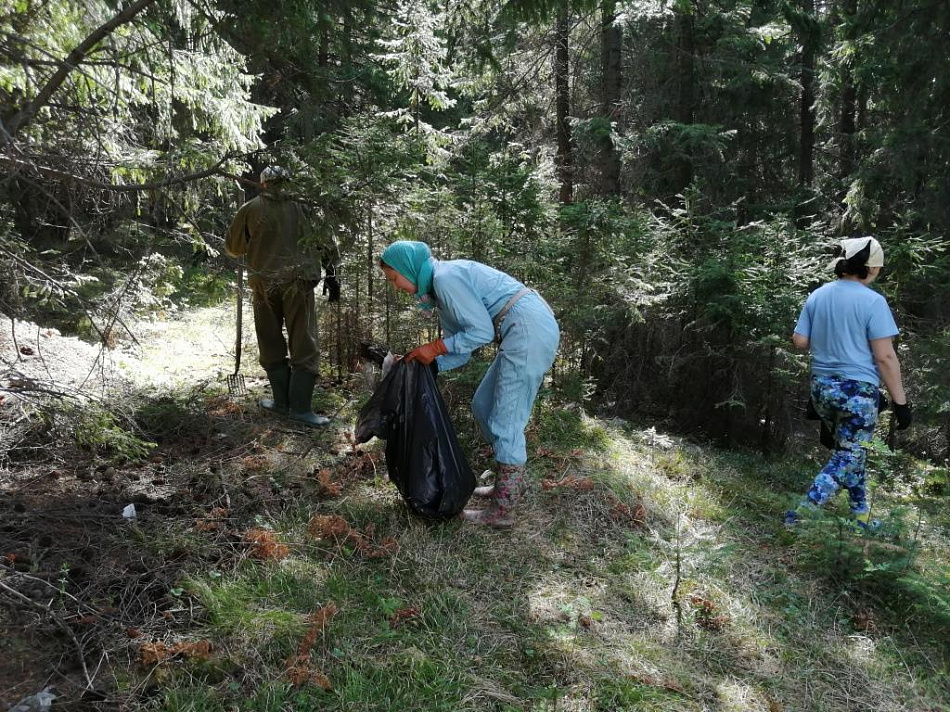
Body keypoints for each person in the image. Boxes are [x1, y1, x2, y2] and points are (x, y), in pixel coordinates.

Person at [379, 240, 559, 527]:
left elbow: (481, 332)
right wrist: (425, 362)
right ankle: (510, 485)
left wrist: (436, 348)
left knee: (505, 419)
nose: (396, 286)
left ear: (407, 268)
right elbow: (460, 349)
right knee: (484, 405)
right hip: (521, 329)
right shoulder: (439, 289)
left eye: (394, 278)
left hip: (529, 328)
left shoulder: (445, 279)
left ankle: (503, 510)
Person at [786, 236, 912, 529]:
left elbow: (800, 341)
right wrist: (900, 403)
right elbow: (885, 358)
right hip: (857, 392)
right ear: (869, 268)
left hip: (821, 389)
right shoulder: (873, 301)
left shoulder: (818, 295)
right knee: (848, 455)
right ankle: (801, 514)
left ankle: (860, 515)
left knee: (852, 451)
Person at [225, 166, 341, 427]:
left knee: (270, 341)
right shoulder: (306, 207)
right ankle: (297, 408)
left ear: (263, 184)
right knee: (304, 342)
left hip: (264, 285)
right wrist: (332, 274)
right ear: (288, 181)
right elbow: (326, 242)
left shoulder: (251, 208)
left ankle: (284, 403)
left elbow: (234, 249)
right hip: (298, 284)